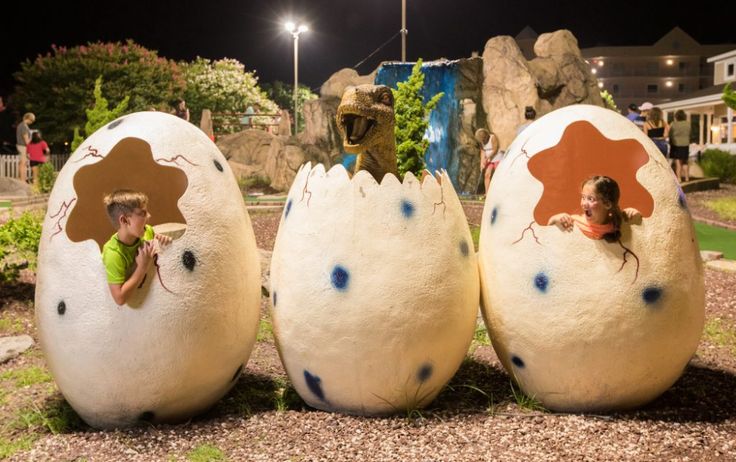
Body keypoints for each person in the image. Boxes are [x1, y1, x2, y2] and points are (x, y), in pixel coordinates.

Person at [102, 190, 172, 305]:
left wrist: (160, 240)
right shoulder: (113, 254)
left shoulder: (147, 231)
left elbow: (153, 239)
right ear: (124, 220)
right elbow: (119, 299)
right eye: (142, 213)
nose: (149, 216)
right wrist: (142, 266)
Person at [548, 175, 641, 242]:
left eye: (590, 199)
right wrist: (555, 219)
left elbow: (641, 231)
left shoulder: (618, 224)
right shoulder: (573, 223)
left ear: (607, 204)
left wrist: (634, 215)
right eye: (583, 197)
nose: (584, 203)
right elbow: (547, 236)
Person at [474, 128, 501, 194]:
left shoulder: (492, 137)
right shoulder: (481, 141)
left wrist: (488, 158)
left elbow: (495, 149)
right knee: (487, 175)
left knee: (497, 175)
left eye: (482, 138)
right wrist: (482, 162)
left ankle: (499, 192)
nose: (482, 140)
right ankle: (487, 193)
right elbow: (483, 151)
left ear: (485, 136)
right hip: (488, 160)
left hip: (497, 157)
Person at [669, 110, 691, 183]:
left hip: (676, 144)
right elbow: (690, 133)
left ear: (676, 116)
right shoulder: (688, 124)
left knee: (678, 162)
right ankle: (687, 177)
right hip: (685, 144)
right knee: (685, 162)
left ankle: (679, 178)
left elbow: (670, 134)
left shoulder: (673, 124)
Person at [15, 112, 35, 183]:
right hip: (22, 146)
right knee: (23, 163)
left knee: (22, 163)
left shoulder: (21, 125)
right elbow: (26, 141)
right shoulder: (24, 126)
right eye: (31, 120)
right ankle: (22, 180)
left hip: (20, 146)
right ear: (28, 119)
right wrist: (32, 138)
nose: (31, 122)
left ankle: (22, 179)